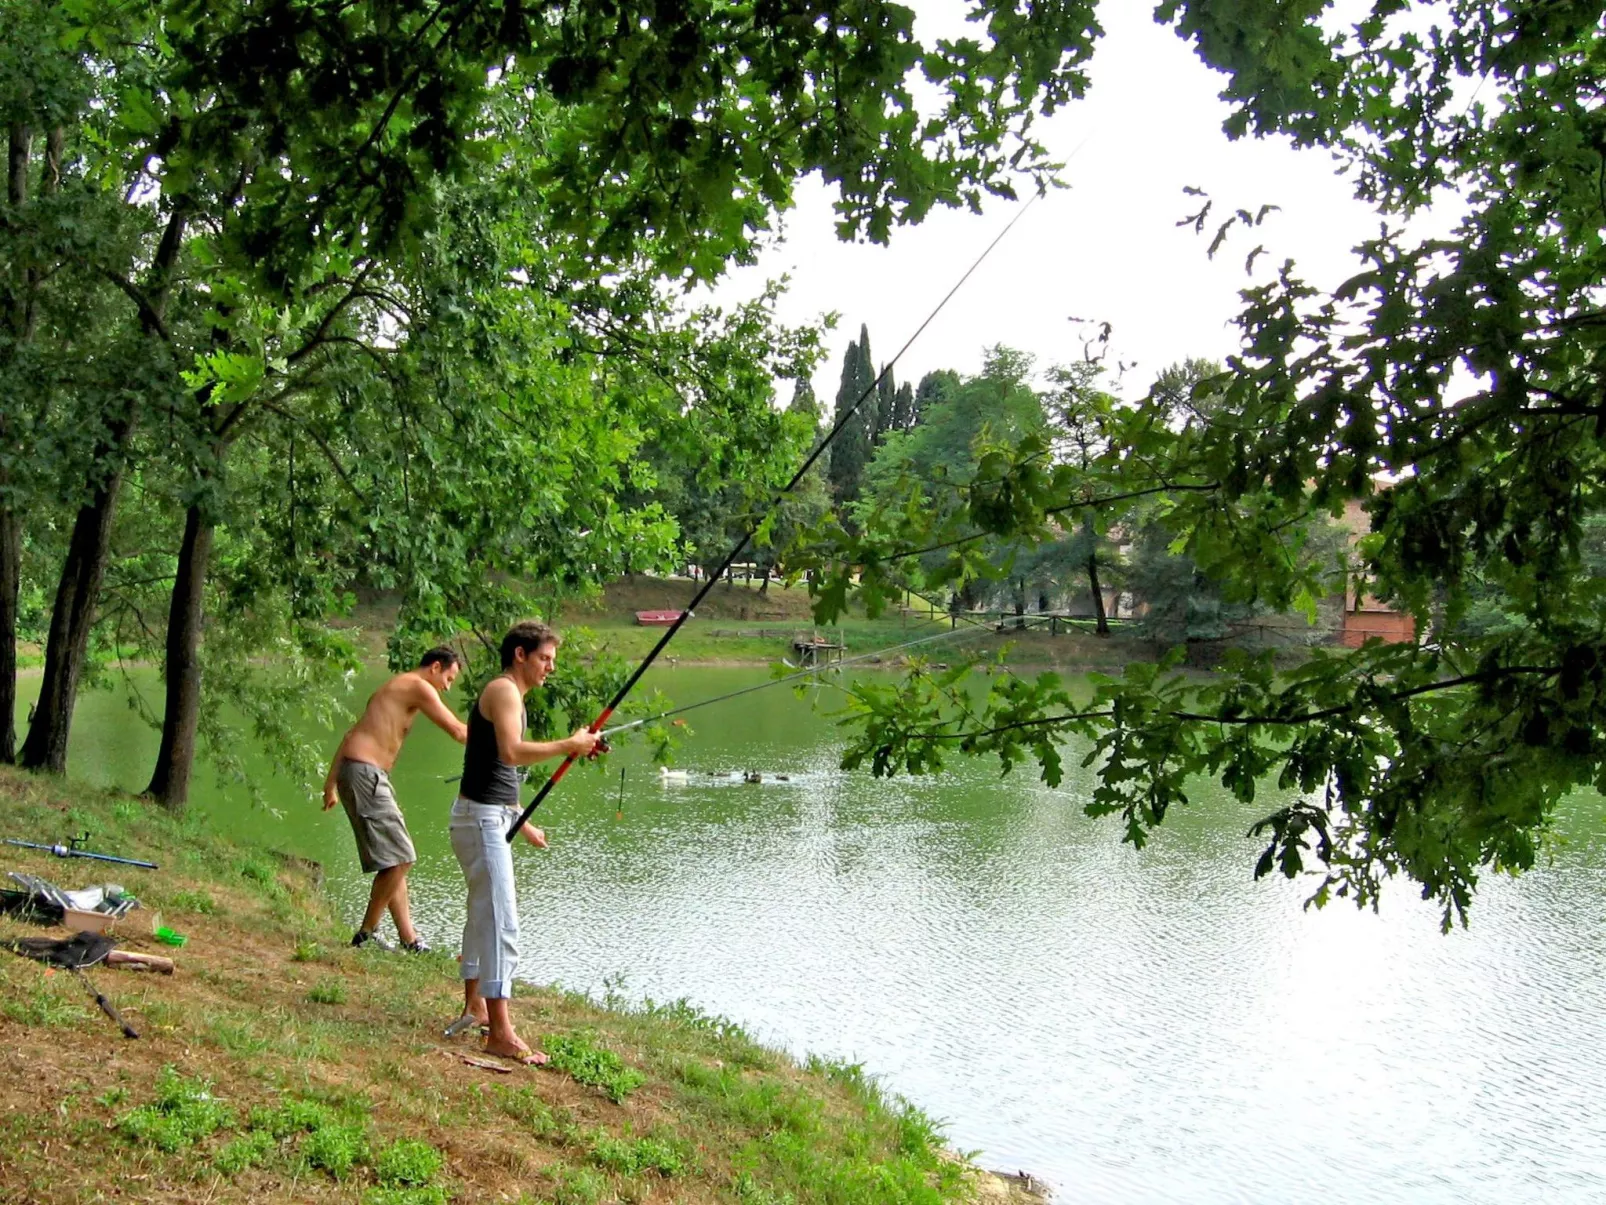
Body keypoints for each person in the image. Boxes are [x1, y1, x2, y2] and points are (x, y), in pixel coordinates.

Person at [449, 620, 598, 1063]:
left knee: (482, 918)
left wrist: (520, 818)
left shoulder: (509, 695)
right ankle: (501, 1032)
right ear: (520, 655)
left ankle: (475, 1008)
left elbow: (495, 769)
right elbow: (513, 752)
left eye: (552, 660)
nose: (550, 668)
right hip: (480, 821)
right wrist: (569, 744)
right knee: (501, 923)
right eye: (544, 658)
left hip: (482, 816)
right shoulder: (504, 691)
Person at [322, 646, 468, 951]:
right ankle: (366, 934)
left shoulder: (392, 688)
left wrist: (330, 784)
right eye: (449, 678)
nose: (447, 687)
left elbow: (351, 735)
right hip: (366, 774)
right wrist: (503, 738)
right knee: (402, 856)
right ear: (435, 667)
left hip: (361, 773)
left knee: (394, 859)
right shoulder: (417, 686)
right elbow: (457, 731)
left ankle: (409, 939)